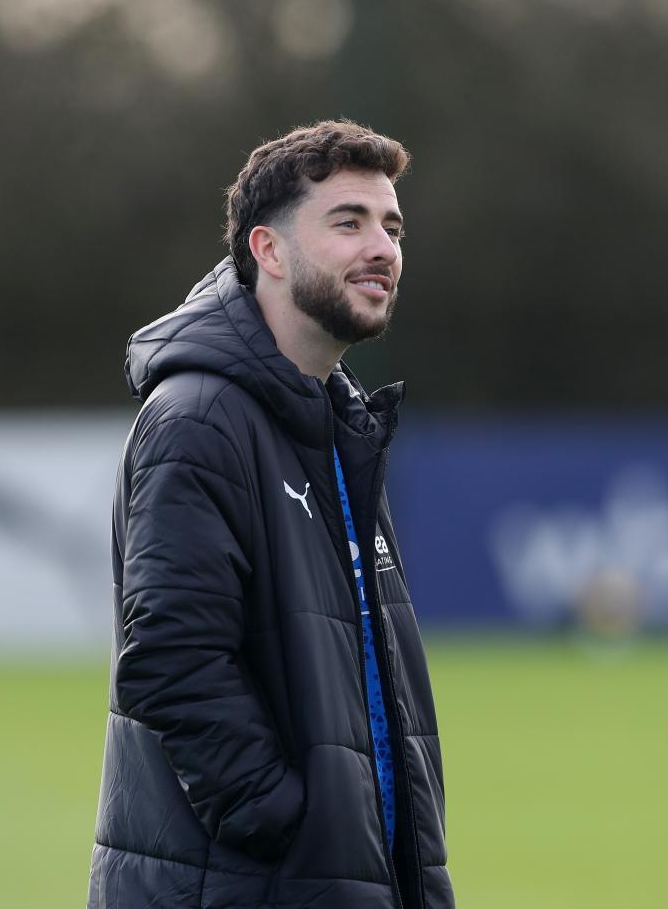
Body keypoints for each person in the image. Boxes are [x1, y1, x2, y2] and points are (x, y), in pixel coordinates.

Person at [88, 120, 453, 909]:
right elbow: (173, 657)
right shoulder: (199, 419)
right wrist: (281, 821)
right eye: (349, 222)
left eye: (392, 228)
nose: (383, 249)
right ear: (270, 251)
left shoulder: (341, 423)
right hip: (259, 882)